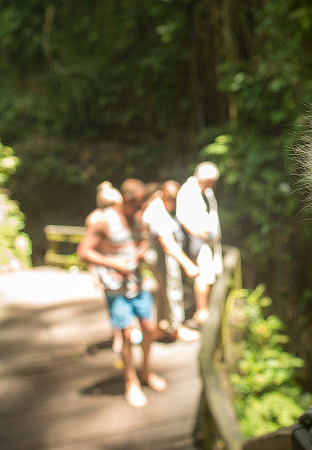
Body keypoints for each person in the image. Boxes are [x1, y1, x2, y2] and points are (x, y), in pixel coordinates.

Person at [77, 181, 165, 408]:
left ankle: (145, 372)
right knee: (126, 335)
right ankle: (130, 381)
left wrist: (142, 251)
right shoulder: (103, 221)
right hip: (116, 290)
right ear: (127, 199)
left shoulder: (137, 218)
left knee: (148, 330)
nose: (141, 207)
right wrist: (114, 265)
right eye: (138, 202)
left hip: (138, 284)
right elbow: (84, 251)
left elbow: (140, 240)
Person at [142, 181, 201, 341]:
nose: (174, 203)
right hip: (164, 259)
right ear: (163, 194)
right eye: (172, 199)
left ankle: (163, 326)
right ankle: (176, 328)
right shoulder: (158, 211)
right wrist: (188, 264)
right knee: (172, 290)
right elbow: (168, 243)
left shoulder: (156, 205)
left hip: (159, 257)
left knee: (163, 292)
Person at [176, 162, 222, 324]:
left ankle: (205, 309)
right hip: (197, 241)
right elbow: (182, 217)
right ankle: (202, 312)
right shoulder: (188, 191)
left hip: (208, 240)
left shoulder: (206, 191)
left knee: (208, 274)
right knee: (203, 275)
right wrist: (197, 233)